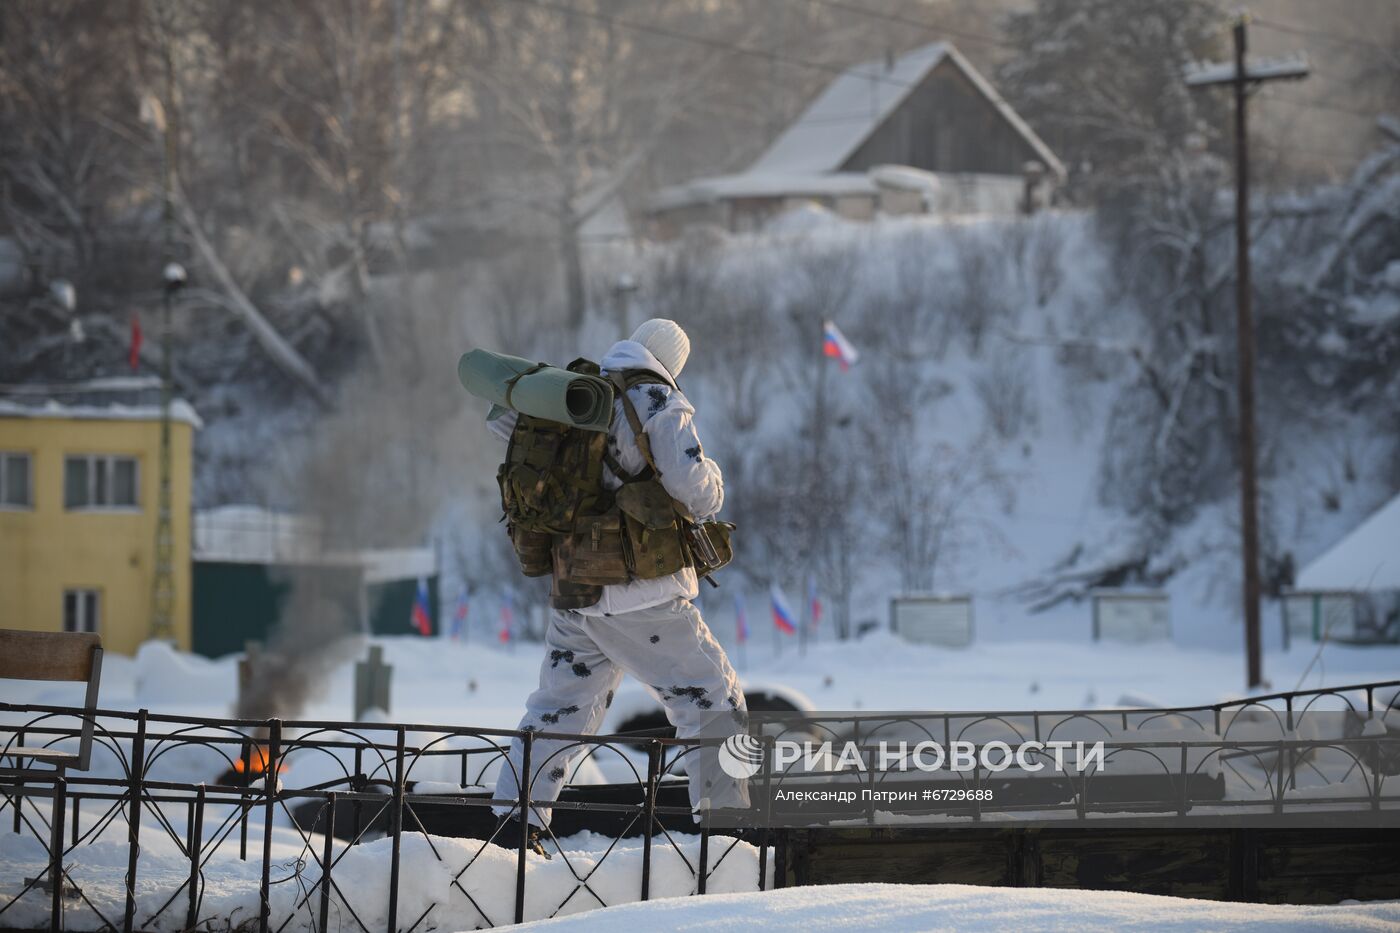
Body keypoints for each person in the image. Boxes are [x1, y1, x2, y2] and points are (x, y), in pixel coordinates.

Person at [488, 319, 749, 853]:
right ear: (671, 362)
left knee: (559, 708)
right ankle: (728, 838)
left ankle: (514, 830)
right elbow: (696, 492)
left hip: (575, 589)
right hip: (642, 594)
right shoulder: (657, 398)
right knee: (714, 702)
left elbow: (505, 429)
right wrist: (715, 477)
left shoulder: (573, 393)